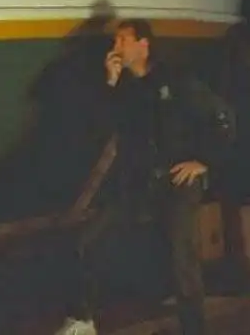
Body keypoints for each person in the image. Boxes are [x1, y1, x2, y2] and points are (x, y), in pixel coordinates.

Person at [55, 18, 234, 335]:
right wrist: (110, 83)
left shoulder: (176, 80)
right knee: (87, 242)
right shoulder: (124, 88)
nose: (116, 47)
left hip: (178, 182)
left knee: (182, 260)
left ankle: (194, 329)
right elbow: (102, 129)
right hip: (139, 183)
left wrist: (204, 161)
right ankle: (82, 321)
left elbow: (222, 116)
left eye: (122, 40)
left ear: (143, 44)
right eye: (115, 41)